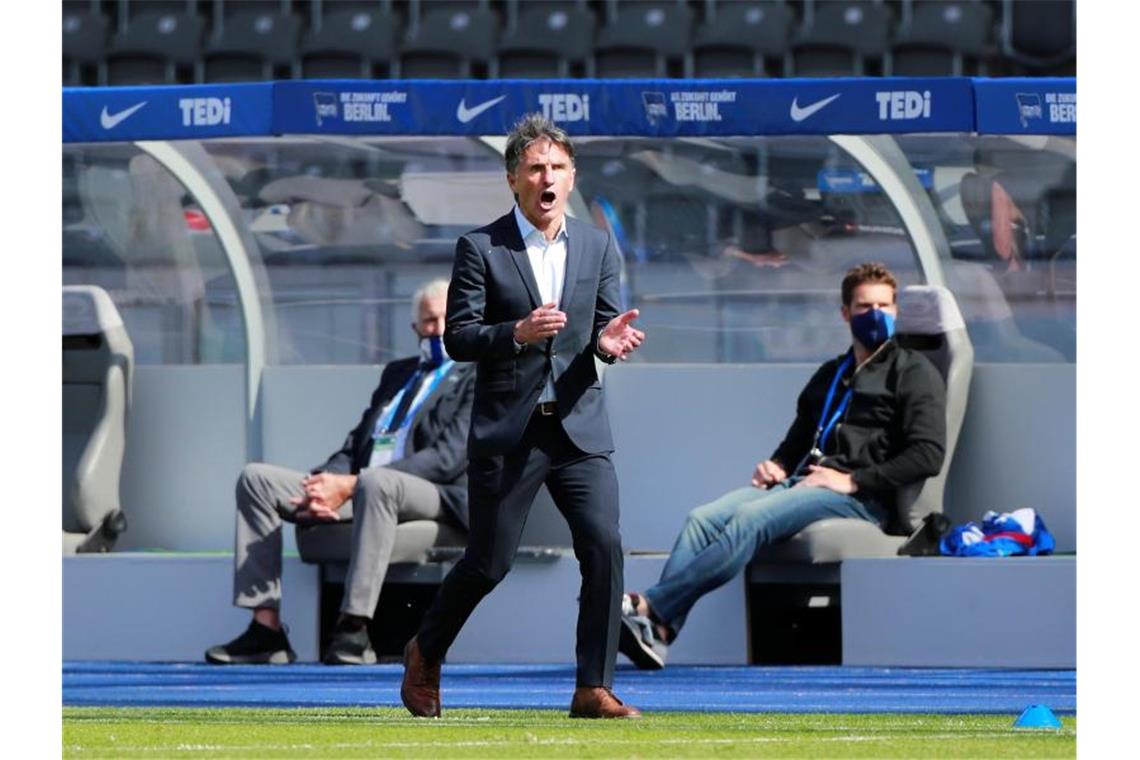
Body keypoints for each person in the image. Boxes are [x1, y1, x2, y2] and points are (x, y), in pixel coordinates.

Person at [400, 113, 646, 720]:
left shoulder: (596, 243)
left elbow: (606, 328)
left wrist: (608, 346)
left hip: (579, 424)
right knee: (490, 561)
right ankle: (425, 650)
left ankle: (593, 686)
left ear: (571, 176)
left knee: (604, 543)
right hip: (511, 430)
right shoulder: (480, 247)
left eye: (558, 168)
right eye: (535, 168)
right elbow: (458, 337)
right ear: (513, 179)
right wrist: (516, 332)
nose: (547, 178)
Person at [618, 262, 947, 670]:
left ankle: (649, 606)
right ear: (845, 313)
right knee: (701, 518)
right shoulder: (832, 373)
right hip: (805, 482)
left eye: (884, 305)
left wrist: (852, 480)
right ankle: (661, 632)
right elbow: (797, 439)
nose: (875, 314)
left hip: (862, 497)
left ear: (897, 310)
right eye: (864, 306)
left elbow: (928, 454)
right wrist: (775, 466)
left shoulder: (915, 372)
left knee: (749, 519)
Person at [205, 278, 475, 666]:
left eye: (446, 319)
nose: (438, 329)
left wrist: (350, 485)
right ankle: (266, 629)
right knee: (257, 479)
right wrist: (325, 483)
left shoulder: (478, 372)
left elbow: (449, 458)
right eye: (428, 321)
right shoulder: (399, 374)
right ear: (415, 328)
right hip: (365, 487)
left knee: (376, 482)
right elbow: (356, 444)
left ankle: (353, 628)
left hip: (436, 493)